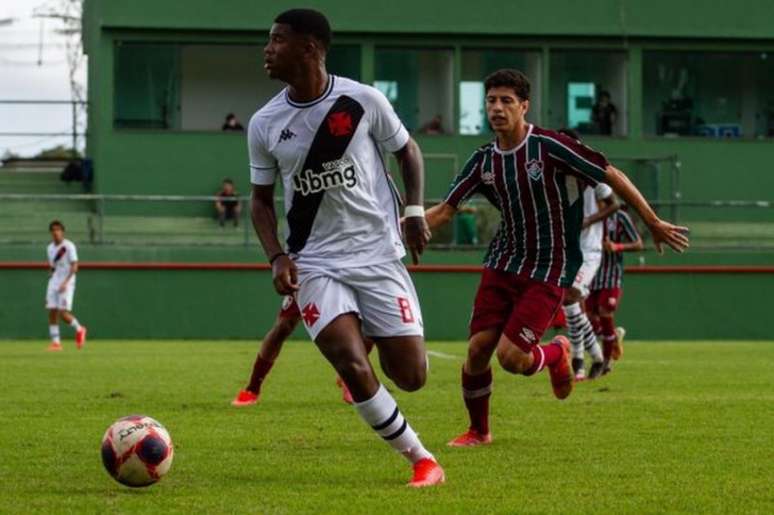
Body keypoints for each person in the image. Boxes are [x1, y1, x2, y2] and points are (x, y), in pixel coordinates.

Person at [424, 69, 689, 447]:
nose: (497, 108)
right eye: (491, 101)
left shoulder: (551, 147)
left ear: (524, 106)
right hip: (503, 262)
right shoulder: (483, 161)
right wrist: (399, 229)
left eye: (506, 101)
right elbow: (446, 210)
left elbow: (610, 174)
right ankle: (479, 432)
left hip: (550, 266)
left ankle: (557, 351)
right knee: (478, 349)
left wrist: (653, 221)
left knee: (512, 359)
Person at [247, 9, 443, 487]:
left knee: (411, 375)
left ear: (309, 48)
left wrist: (415, 212)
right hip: (314, 262)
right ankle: (421, 459)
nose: (267, 49)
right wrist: (277, 256)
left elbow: (408, 151)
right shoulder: (264, 122)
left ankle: (377, 350)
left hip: (377, 254)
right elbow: (259, 201)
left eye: (277, 40)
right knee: (350, 363)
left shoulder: (363, 100)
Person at [231, 295, 373, 406]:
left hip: (348, 269)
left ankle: (349, 378)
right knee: (283, 326)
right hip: (312, 271)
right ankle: (252, 389)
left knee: (370, 323)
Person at [557, 128, 619, 381]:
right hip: (567, 247)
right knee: (569, 301)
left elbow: (614, 204)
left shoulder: (592, 172)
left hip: (590, 250)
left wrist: (588, 220)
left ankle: (580, 360)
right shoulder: (556, 176)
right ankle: (592, 357)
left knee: (570, 295)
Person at [586, 206, 643, 374]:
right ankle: (613, 337)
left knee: (605, 312)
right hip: (591, 273)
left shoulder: (620, 217)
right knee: (588, 317)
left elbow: (638, 243)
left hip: (611, 275)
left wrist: (617, 247)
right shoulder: (588, 215)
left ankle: (606, 361)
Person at [45, 220, 87, 351]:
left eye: (58, 229)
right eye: (53, 230)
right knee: (52, 311)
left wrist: (65, 282)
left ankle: (80, 329)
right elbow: (53, 267)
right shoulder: (49, 248)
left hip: (67, 282)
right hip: (54, 282)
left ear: (62, 232)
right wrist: (51, 276)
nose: (56, 232)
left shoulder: (69, 246)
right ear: (51, 233)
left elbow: (75, 266)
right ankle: (56, 343)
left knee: (63, 313)